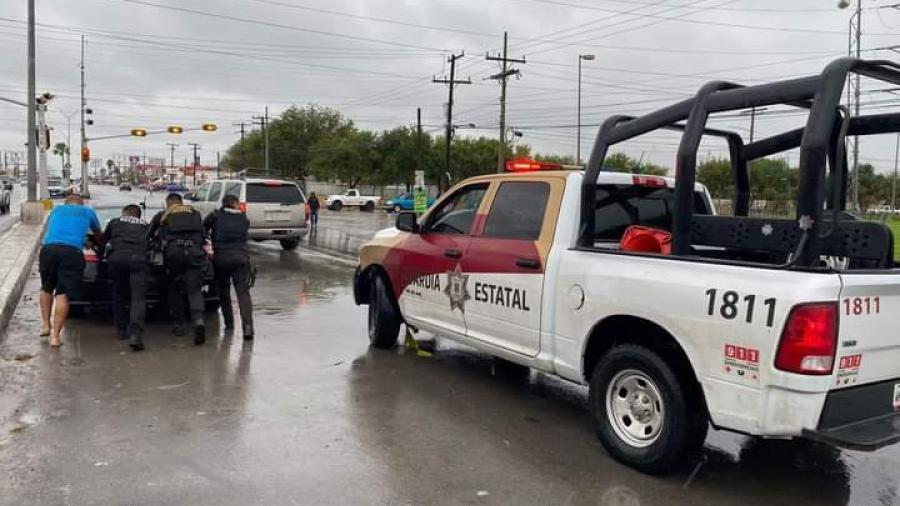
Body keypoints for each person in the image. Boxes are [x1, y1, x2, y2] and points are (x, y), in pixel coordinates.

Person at [39, 192, 102, 347]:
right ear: (81, 204)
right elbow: (98, 233)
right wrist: (98, 243)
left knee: (46, 287)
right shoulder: (88, 212)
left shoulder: (56, 210)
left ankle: (46, 326)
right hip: (70, 252)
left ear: (67, 203)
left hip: (48, 249)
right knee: (62, 293)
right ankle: (55, 337)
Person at [149, 193, 207, 345]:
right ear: (181, 202)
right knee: (194, 290)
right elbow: (203, 235)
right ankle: (199, 321)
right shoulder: (195, 213)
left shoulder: (162, 215)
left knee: (174, 289)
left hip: (174, 256)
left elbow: (148, 235)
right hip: (194, 254)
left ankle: (179, 326)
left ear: (168, 203)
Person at [203, 194, 254, 340]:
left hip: (221, 259)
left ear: (223, 204)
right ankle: (248, 327)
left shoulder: (216, 215)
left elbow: (203, 228)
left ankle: (229, 324)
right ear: (236, 204)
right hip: (241, 259)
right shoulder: (244, 218)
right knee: (243, 293)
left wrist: (208, 243)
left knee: (223, 291)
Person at [104, 204, 150, 351]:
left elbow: (104, 239)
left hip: (117, 259)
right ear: (138, 216)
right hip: (138, 260)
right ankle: (135, 335)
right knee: (138, 297)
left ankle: (121, 330)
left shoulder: (115, 222)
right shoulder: (145, 225)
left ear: (124, 214)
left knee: (118, 293)